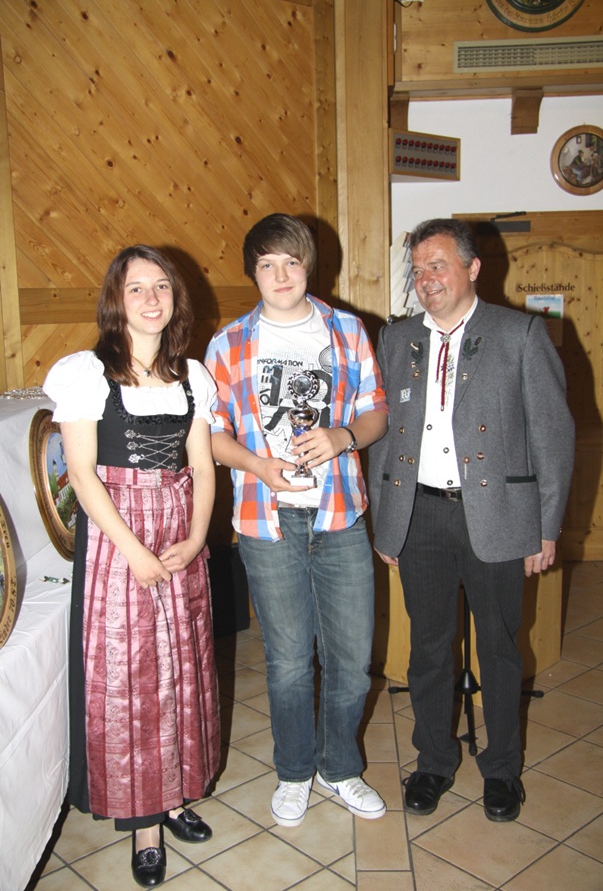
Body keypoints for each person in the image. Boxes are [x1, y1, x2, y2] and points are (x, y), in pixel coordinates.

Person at [369, 218, 574, 823]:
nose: (426, 279)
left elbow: (553, 437)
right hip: (420, 516)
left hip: (499, 519)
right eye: (418, 269)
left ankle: (502, 769)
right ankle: (434, 761)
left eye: (438, 265)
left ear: (472, 267)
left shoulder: (521, 333)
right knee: (429, 648)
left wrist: (547, 526)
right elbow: (382, 437)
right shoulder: (396, 338)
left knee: (500, 650)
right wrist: (387, 520)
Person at [43, 245, 220, 888]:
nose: (151, 298)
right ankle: (145, 822)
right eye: (136, 287)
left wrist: (195, 539)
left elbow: (202, 465)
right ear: (116, 300)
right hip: (119, 542)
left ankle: (174, 794)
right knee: (136, 678)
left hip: (179, 533)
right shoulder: (86, 373)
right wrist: (135, 552)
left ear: (176, 298)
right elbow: (83, 475)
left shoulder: (192, 376)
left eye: (162, 286)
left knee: (184, 667)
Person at [204, 213, 389, 827]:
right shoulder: (228, 344)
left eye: (291, 261)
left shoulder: (347, 330)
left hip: (340, 518)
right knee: (287, 662)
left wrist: (341, 437)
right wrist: (259, 465)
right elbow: (212, 435)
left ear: (309, 265)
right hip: (268, 523)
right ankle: (294, 771)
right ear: (252, 272)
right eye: (267, 264)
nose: (280, 275)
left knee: (351, 660)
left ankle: (340, 768)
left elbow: (376, 413)